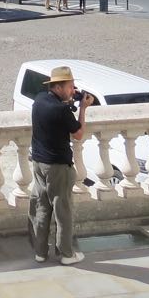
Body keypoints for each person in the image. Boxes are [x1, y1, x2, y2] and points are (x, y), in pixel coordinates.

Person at [28, 65, 90, 265]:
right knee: (63, 210)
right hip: (57, 167)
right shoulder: (62, 109)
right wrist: (82, 108)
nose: (73, 90)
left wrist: (70, 101)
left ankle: (40, 252)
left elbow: (57, 115)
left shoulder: (39, 100)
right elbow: (78, 133)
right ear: (60, 87)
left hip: (38, 163)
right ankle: (66, 253)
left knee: (42, 207)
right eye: (71, 86)